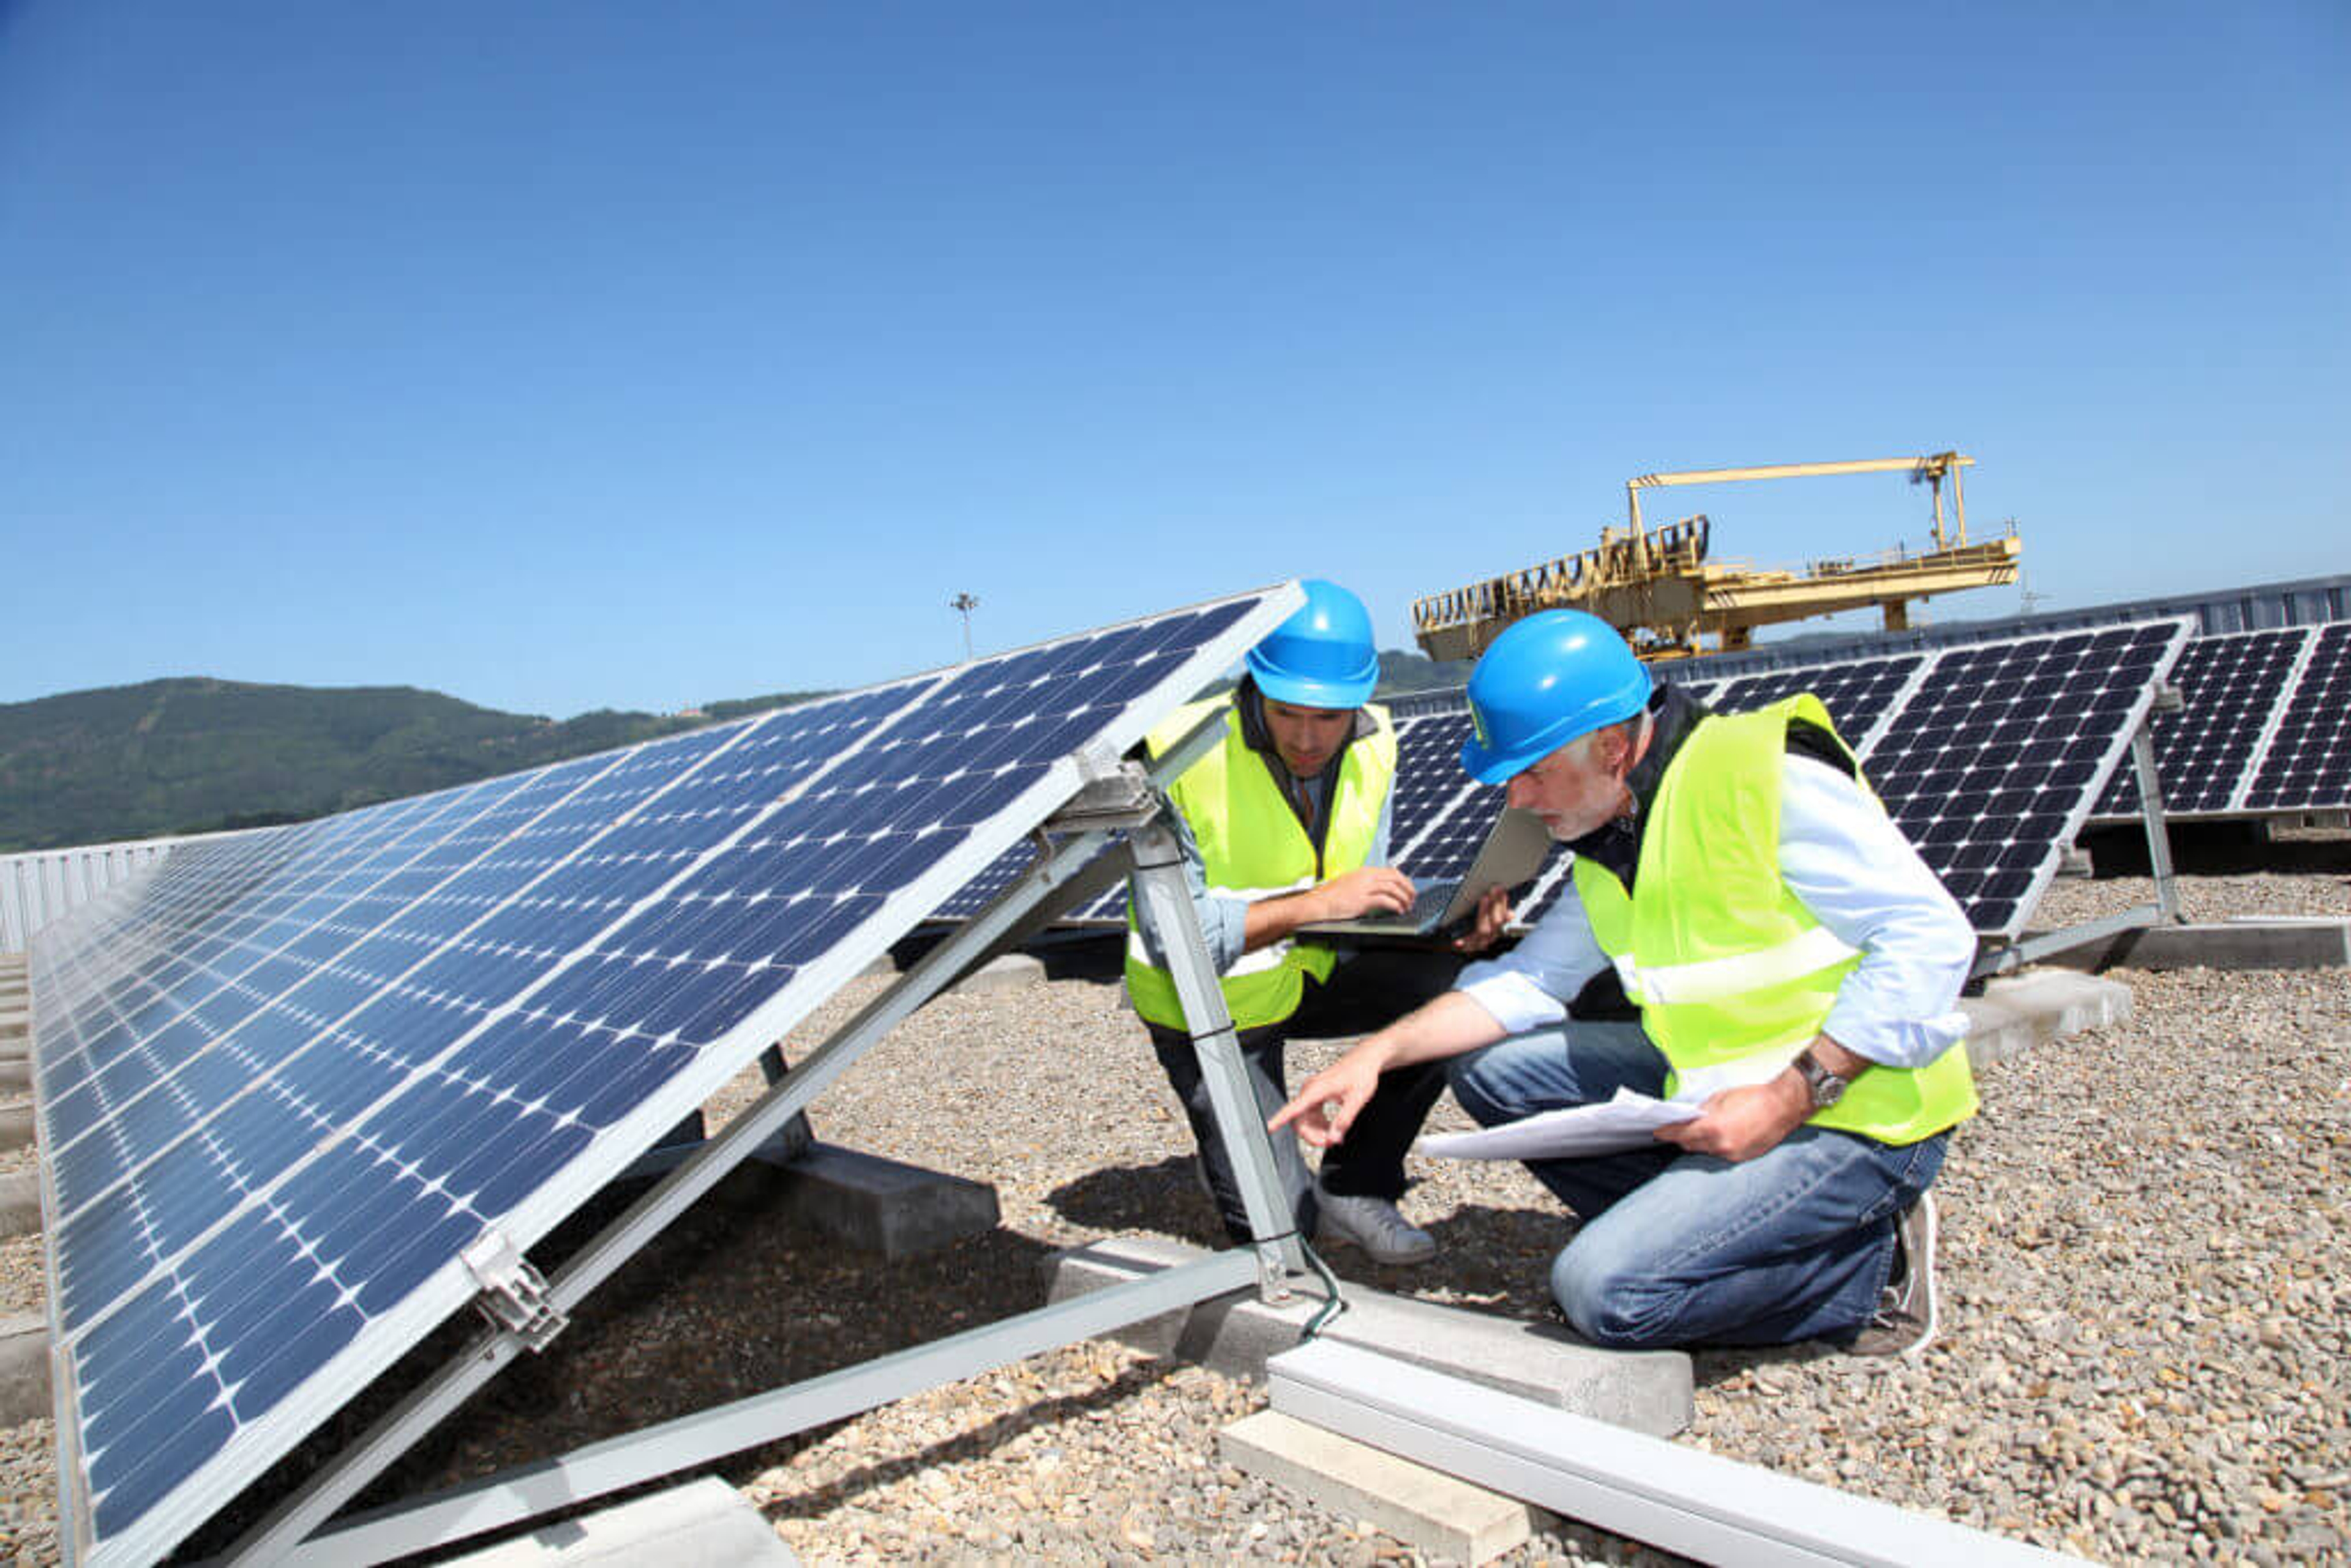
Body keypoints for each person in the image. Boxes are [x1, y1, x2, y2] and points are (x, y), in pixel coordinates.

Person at [1272, 609, 1976, 1357]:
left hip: (1858, 1112)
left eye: (1534, 772)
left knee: (1605, 1294)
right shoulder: (1612, 835)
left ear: (1612, 746)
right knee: (1491, 1068)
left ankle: (1866, 1277)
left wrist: (1788, 1096)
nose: (1517, 801)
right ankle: (1711, 1226)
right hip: (1720, 1083)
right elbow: (1530, 982)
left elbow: (1932, 938)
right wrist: (1374, 1056)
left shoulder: (1766, 776)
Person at [1126, 580, 1498, 1265]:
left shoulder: (1375, 741)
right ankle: (1295, 1203)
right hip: (1210, 1004)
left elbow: (1366, 896)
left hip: (1312, 967)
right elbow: (1176, 937)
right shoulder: (1176, 754)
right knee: (1281, 1241)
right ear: (1253, 686)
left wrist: (1455, 918)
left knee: (1466, 981)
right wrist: (1319, 904)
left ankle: (1356, 1185)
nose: (1306, 737)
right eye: (1287, 711)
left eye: (1328, 717)